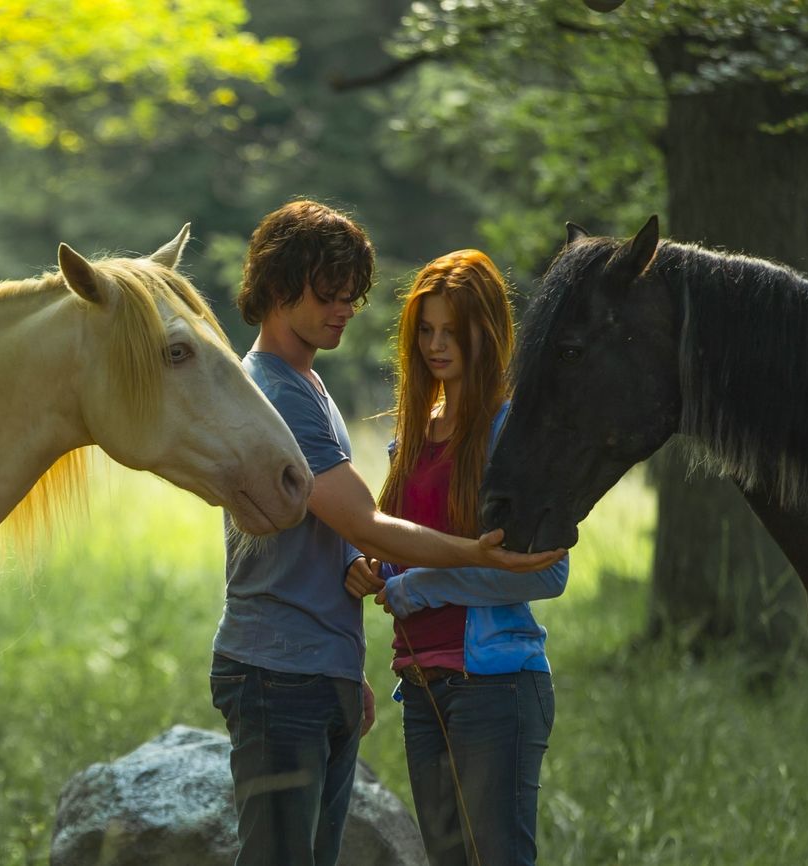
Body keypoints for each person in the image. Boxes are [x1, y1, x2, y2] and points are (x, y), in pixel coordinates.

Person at [210, 203, 564, 866]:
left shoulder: (315, 388)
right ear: (280, 286)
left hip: (455, 680)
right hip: (329, 676)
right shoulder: (291, 399)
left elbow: (542, 569)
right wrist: (400, 567)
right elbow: (368, 526)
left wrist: (375, 610)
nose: (345, 308)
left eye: (352, 295)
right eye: (328, 294)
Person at [350, 249, 570, 866]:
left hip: (494, 687)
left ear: (488, 330)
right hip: (419, 686)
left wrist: (423, 587)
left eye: (453, 330)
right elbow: (408, 546)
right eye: (426, 330)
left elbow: (549, 569)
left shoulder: (512, 432)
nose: (436, 345)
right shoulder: (414, 434)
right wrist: (374, 567)